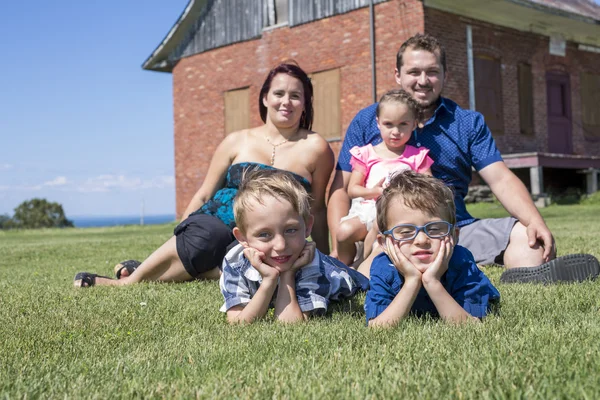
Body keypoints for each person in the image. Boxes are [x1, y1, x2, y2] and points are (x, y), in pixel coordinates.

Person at [328, 33, 600, 283]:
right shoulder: (368, 120)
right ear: (398, 75)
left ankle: (525, 276)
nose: (423, 80)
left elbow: (501, 178)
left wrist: (534, 221)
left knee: (528, 239)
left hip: (454, 229)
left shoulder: (467, 123)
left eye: (432, 72)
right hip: (388, 232)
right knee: (380, 252)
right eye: (414, 72)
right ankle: (379, 272)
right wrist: (340, 249)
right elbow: (341, 188)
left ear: (445, 74)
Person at [74, 62, 334, 287]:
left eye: (295, 96)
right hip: (217, 221)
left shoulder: (316, 147)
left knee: (258, 261)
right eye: (279, 93)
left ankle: (156, 269)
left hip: (270, 236)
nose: (286, 102)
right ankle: (129, 282)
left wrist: (325, 259)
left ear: (305, 104)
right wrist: (179, 235)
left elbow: (317, 208)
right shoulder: (236, 141)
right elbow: (205, 193)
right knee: (204, 238)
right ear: (265, 98)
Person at [220, 169, 369, 324]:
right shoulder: (235, 261)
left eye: (290, 230)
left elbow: (290, 323)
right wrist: (269, 280)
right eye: (264, 234)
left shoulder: (311, 262)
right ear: (242, 238)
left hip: (347, 278)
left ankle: (370, 254)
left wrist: (288, 274)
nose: (280, 245)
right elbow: (238, 323)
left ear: (307, 226)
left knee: (366, 275)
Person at [365, 171, 500, 327]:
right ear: (384, 243)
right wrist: (412, 281)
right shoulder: (382, 268)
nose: (422, 240)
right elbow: (378, 328)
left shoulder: (461, 262)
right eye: (406, 232)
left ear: (454, 236)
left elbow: (471, 326)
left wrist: (432, 282)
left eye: (435, 229)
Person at [336, 89, 433, 266]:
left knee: (380, 226)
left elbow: (430, 187)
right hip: (367, 209)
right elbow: (352, 189)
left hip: (401, 213)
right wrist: (376, 191)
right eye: (389, 124)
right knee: (343, 231)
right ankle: (344, 267)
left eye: (403, 124)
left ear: (414, 124)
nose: (395, 131)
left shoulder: (417, 157)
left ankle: (361, 265)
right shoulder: (365, 154)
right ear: (378, 123)